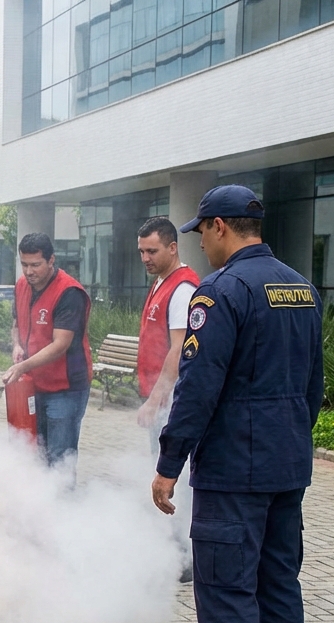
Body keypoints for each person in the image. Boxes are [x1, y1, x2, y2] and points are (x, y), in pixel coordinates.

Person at [153, 185, 323, 623]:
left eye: (202, 230)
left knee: (227, 592)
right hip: (287, 465)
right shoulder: (299, 287)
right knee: (280, 588)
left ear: (221, 226)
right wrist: (292, 439)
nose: (200, 240)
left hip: (233, 472)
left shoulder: (220, 293)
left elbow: (197, 388)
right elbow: (313, 383)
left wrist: (169, 462)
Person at [135, 217, 199, 584]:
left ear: (173, 248)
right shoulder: (162, 282)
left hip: (173, 403)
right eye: (142, 250)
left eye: (152, 251)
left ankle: (185, 557)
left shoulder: (183, 289)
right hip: (161, 400)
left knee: (175, 477)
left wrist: (155, 399)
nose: (145, 257)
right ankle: (172, 550)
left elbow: (178, 350)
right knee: (163, 475)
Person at [0, 233, 93, 474]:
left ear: (51, 260)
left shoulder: (69, 293)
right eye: (24, 265)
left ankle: (64, 509)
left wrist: (22, 367)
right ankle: (40, 510)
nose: (29, 272)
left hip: (65, 389)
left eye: (35, 265)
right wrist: (17, 345)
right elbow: (16, 323)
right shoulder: (22, 286)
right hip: (34, 388)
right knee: (35, 456)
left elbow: (60, 344)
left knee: (60, 459)